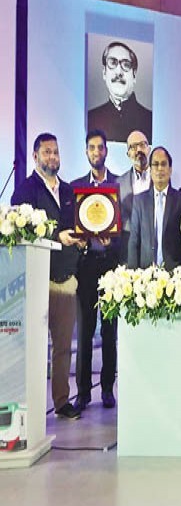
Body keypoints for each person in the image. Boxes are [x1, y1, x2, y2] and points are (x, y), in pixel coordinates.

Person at [12, 133, 86, 420]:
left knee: (63, 348)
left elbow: (78, 226)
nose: (52, 157)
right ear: (35, 156)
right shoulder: (25, 191)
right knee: (30, 347)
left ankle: (61, 401)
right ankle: (27, 404)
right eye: (46, 152)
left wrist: (81, 239)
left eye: (55, 152)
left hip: (66, 281)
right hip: (36, 281)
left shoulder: (69, 192)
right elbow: (22, 231)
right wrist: (58, 236)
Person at [71, 130, 120, 411]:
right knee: (87, 331)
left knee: (110, 331)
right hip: (86, 267)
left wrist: (112, 240)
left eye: (100, 147)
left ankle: (107, 390)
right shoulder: (76, 188)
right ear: (86, 152)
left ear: (106, 152)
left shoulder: (118, 185)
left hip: (111, 268)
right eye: (91, 148)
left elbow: (123, 228)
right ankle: (83, 393)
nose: (96, 152)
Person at [127, 146, 181, 270]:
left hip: (174, 274)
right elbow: (134, 240)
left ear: (170, 170)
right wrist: (132, 274)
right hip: (145, 274)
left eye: (163, 164)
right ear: (150, 170)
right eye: (155, 164)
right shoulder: (140, 201)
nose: (159, 169)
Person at [87, 41, 152, 143]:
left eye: (126, 65)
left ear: (134, 75)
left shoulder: (149, 119)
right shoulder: (90, 118)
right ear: (104, 72)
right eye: (113, 63)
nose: (119, 72)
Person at [116, 130, 152, 260]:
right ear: (128, 154)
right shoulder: (118, 183)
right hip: (128, 254)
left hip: (154, 251)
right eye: (133, 147)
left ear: (149, 148)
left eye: (142, 145)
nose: (138, 150)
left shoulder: (161, 179)